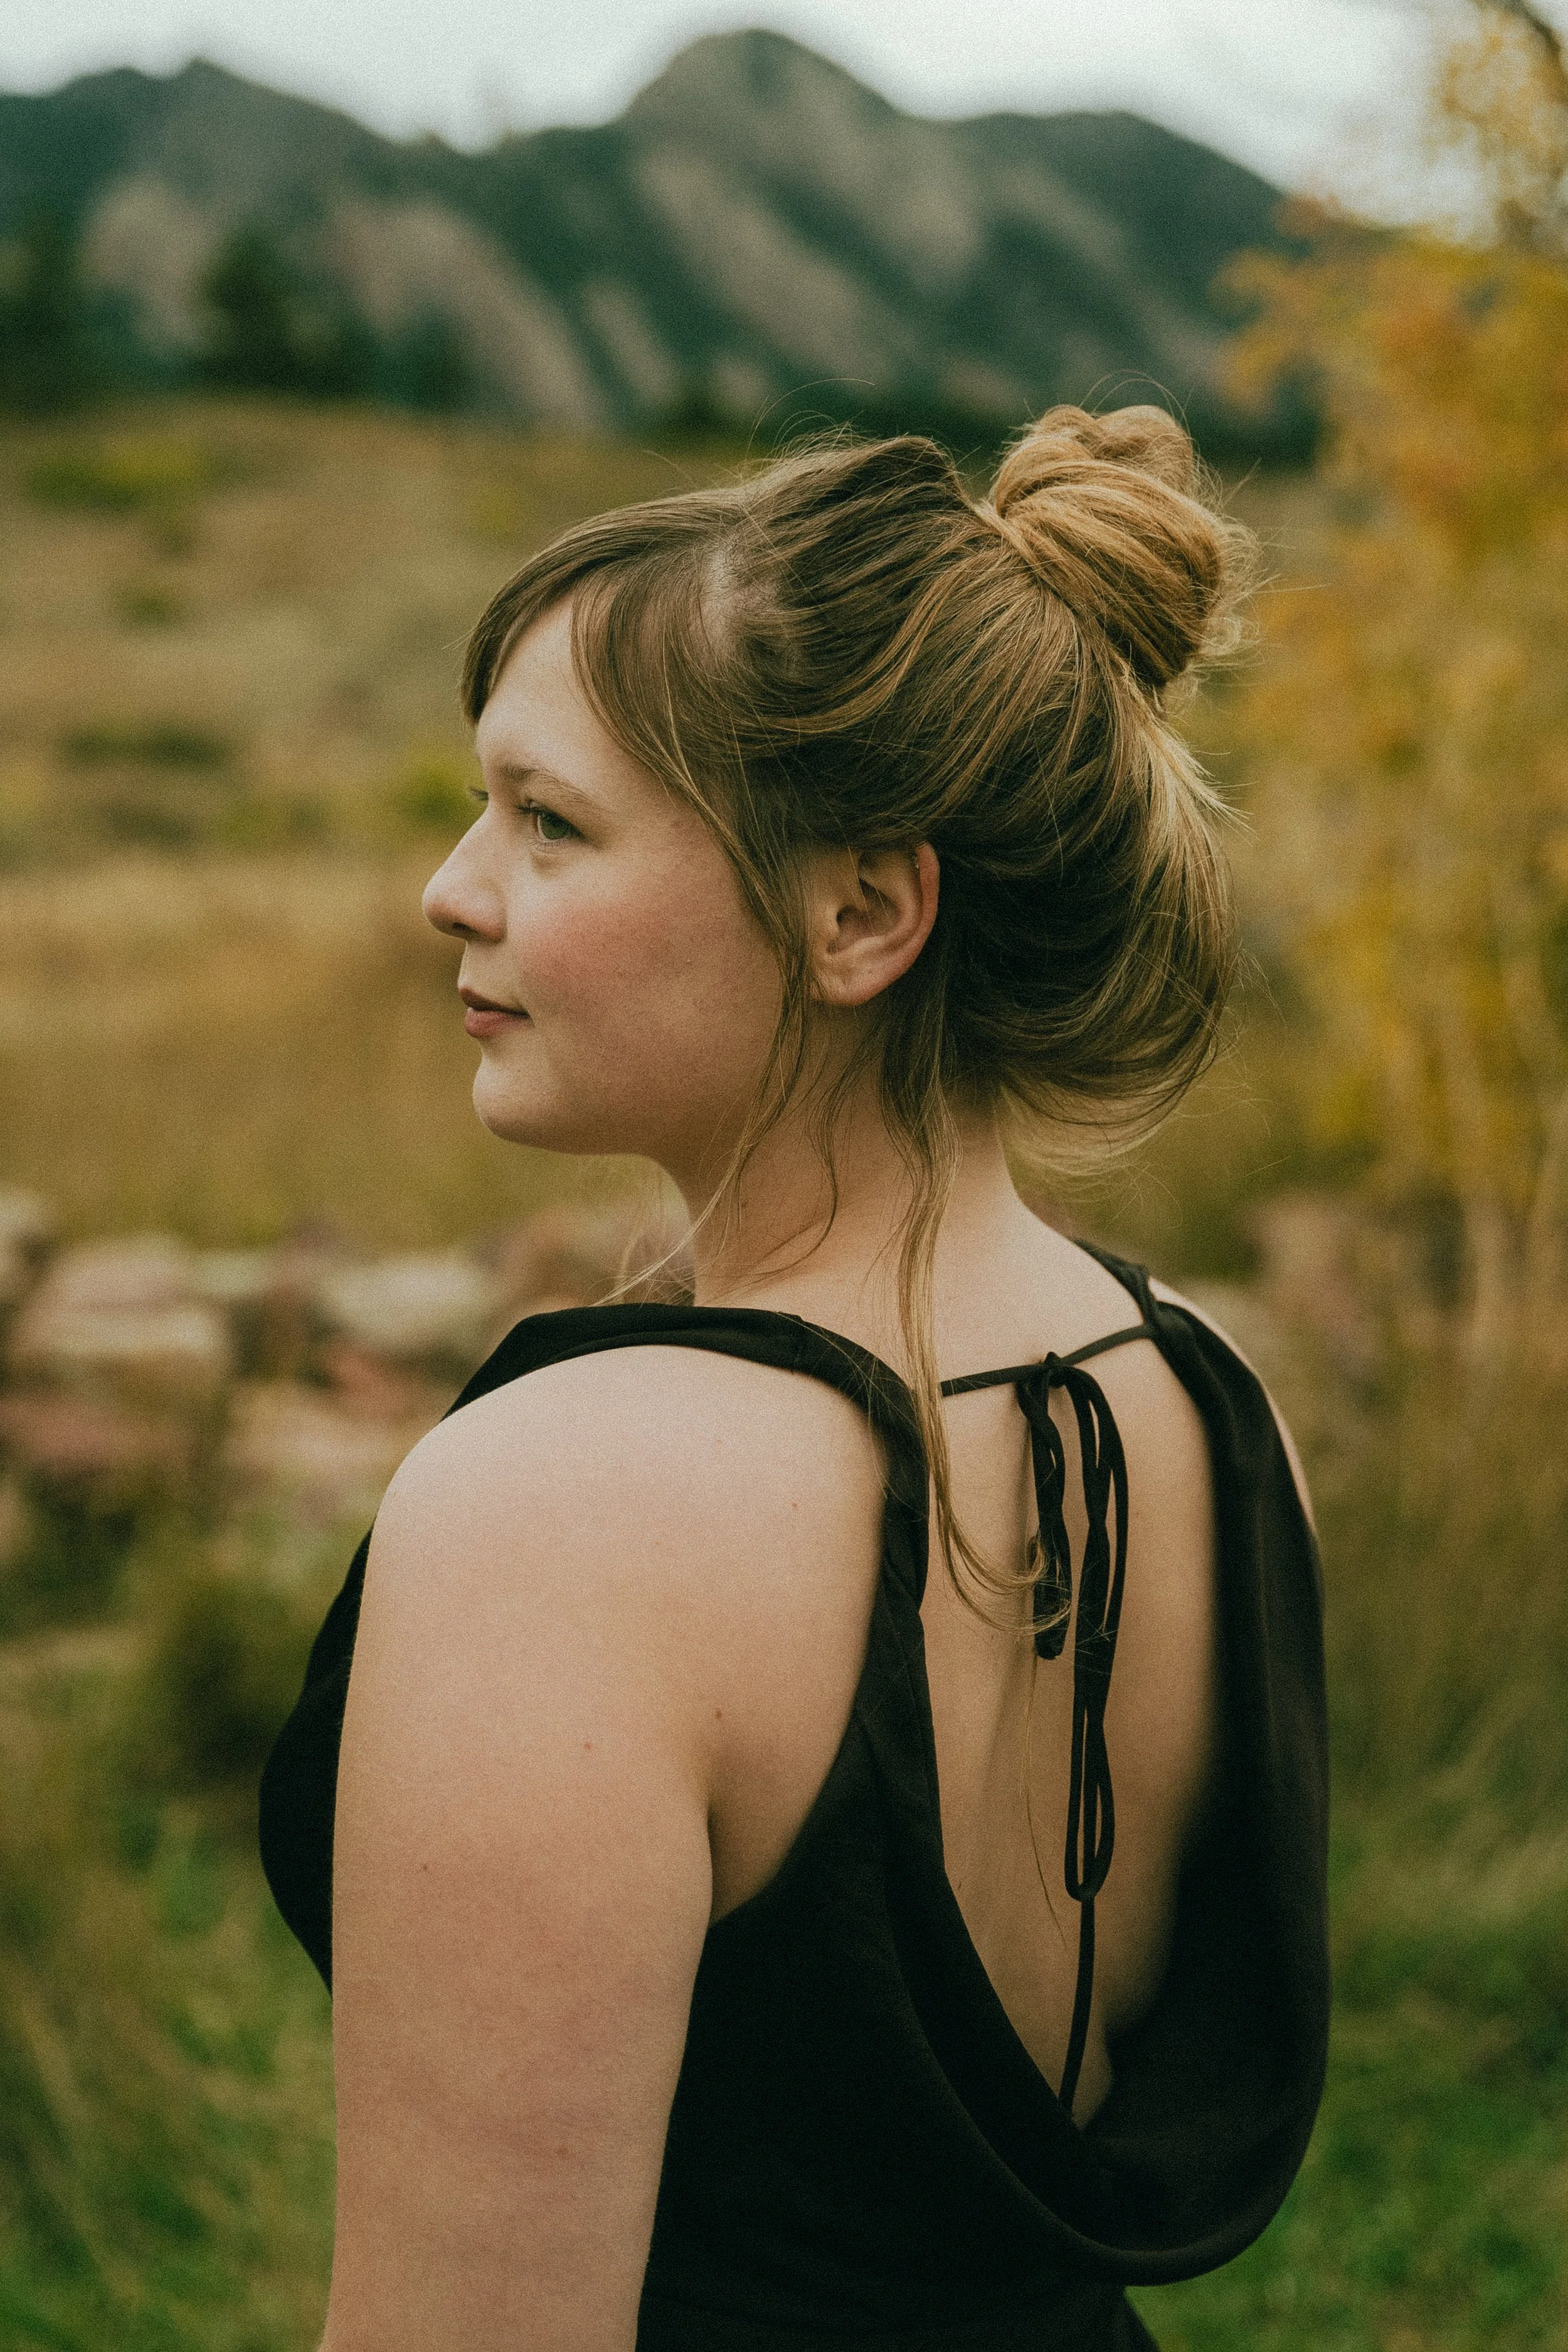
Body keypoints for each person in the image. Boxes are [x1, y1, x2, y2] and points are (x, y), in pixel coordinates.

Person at [260, 406, 1329, 2352]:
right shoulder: (1206, 1402)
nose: (450, 888)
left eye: (548, 821)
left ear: (858, 913)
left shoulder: (554, 1515)